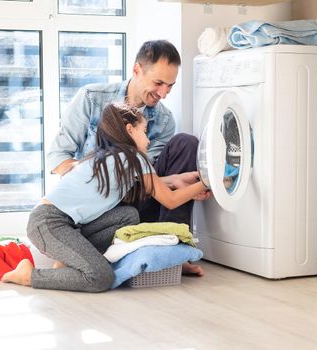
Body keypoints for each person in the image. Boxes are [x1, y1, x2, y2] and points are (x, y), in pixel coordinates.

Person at [2, 103, 207, 292]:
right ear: (129, 130)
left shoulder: (111, 156)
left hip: (60, 222)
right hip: (49, 223)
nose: (148, 139)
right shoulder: (134, 157)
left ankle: (69, 261)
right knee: (101, 278)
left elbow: (150, 183)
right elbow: (170, 200)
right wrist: (207, 181)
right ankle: (29, 275)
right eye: (144, 132)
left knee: (128, 215)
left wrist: (177, 179)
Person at [48, 40, 211, 275]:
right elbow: (57, 158)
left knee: (185, 143)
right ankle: (99, 248)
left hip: (135, 197)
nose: (164, 93)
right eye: (158, 82)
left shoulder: (164, 120)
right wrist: (93, 176)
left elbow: (143, 179)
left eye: (170, 86)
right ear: (137, 70)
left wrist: (174, 180)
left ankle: (173, 250)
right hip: (97, 206)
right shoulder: (91, 98)